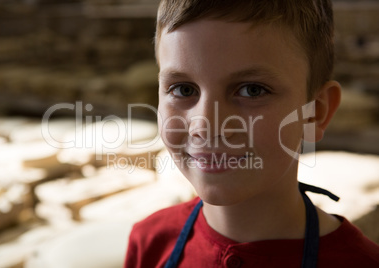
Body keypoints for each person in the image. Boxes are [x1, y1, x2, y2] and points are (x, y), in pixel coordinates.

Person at [124, 0, 379, 267]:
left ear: (315, 112)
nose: (206, 126)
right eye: (183, 89)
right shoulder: (149, 242)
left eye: (252, 90)